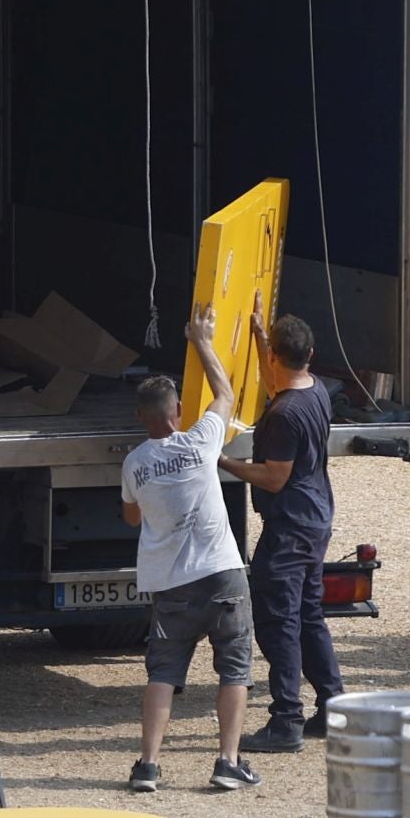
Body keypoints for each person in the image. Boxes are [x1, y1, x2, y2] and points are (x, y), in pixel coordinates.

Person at [120, 304, 260, 792]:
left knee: (164, 672)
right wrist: (202, 340)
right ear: (177, 411)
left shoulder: (134, 464)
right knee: (235, 670)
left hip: (170, 584)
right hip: (221, 573)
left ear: (140, 418)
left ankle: (149, 766)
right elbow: (226, 393)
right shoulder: (201, 442)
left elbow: (132, 516)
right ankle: (227, 762)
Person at [218, 294, 344, 752]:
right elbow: (277, 381)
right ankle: (333, 708)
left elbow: (273, 477)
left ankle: (286, 720)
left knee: (279, 623)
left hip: (289, 527)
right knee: (310, 616)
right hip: (315, 519)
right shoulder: (314, 391)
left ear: (276, 356)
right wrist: (258, 333)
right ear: (309, 354)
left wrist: (225, 462)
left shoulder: (284, 415)